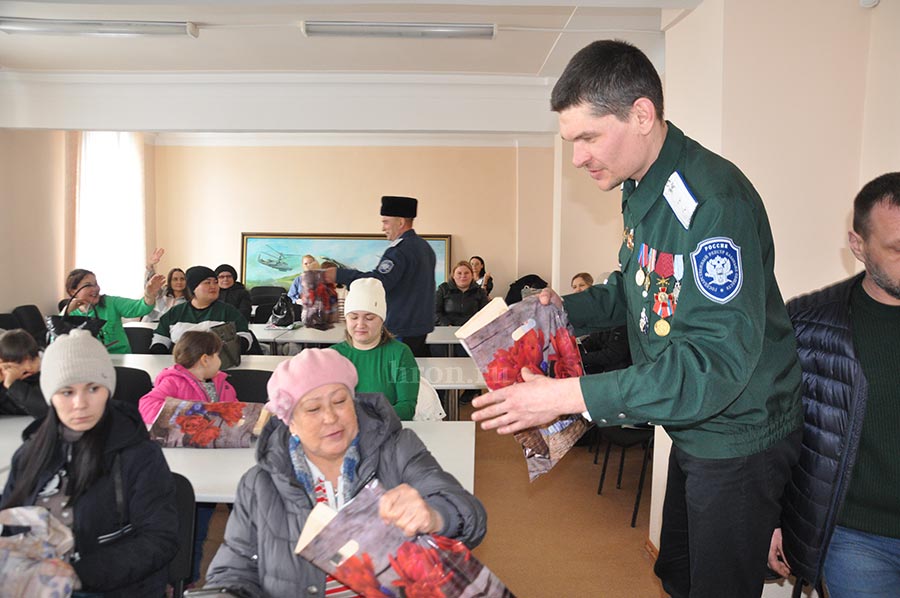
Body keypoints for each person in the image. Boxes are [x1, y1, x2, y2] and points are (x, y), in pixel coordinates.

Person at [470, 40, 802, 598]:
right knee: (677, 573)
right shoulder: (643, 188)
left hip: (737, 435)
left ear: (642, 115)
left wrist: (571, 394)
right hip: (695, 427)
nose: (577, 158)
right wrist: (558, 312)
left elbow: (713, 365)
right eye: (571, 141)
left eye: (588, 138)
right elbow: (634, 289)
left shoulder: (712, 202)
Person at [203, 348, 486, 598]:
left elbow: (469, 513)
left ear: (354, 401)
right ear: (291, 424)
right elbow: (234, 570)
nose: (330, 417)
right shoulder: (260, 484)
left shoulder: (396, 449)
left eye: (340, 401)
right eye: (313, 408)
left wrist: (435, 515)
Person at [767, 173, 900, 597]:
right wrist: (774, 519)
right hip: (856, 535)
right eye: (897, 248)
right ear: (858, 245)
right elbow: (777, 430)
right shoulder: (810, 323)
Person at [0, 329, 178, 596]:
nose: (80, 404)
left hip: (114, 588)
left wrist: (77, 575)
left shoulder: (138, 454)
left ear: (108, 389)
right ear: (50, 395)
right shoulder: (29, 453)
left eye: (93, 389)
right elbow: (10, 524)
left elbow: (159, 539)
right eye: (66, 391)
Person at [329, 196, 436, 357]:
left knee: (394, 375)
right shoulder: (424, 247)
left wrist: (338, 274)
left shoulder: (399, 251)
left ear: (400, 222)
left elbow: (376, 282)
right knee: (413, 373)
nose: (383, 228)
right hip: (419, 327)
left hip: (401, 327)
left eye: (385, 222)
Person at [333, 278, 419, 420]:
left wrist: (366, 419)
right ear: (346, 319)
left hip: (385, 433)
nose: (360, 324)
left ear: (382, 319)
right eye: (354, 317)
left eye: (369, 318)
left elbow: (407, 407)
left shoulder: (401, 353)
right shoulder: (333, 356)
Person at [139, 330, 238, 424]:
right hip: (186, 439)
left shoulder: (223, 384)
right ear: (205, 360)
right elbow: (146, 407)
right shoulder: (173, 382)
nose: (220, 360)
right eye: (218, 355)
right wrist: (186, 412)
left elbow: (237, 410)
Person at [150, 265, 254, 354]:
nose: (213, 286)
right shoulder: (175, 313)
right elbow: (160, 340)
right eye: (207, 283)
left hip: (218, 366)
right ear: (193, 288)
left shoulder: (228, 311)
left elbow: (245, 337)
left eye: (215, 282)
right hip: (181, 367)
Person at [63, 268, 166, 354]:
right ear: (73, 291)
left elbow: (141, 307)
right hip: (86, 364)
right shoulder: (69, 312)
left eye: (96, 284)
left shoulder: (111, 302)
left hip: (118, 359)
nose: (95, 288)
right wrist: (66, 313)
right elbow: (57, 341)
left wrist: (149, 295)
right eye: (88, 285)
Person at [0, 328, 47, 418]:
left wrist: (13, 385)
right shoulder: (5, 378)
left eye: (32, 359)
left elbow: (46, 410)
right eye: (19, 362)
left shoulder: (48, 375)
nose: (29, 367)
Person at [435, 260, 490, 327]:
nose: (463, 276)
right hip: (447, 330)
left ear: (472, 276)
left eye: (466, 273)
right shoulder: (443, 289)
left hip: (472, 330)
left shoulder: (480, 292)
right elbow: (434, 312)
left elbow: (485, 314)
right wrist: (447, 325)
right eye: (459, 273)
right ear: (453, 276)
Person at [142, 247, 187, 322]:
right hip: (149, 325)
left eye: (182, 279)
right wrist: (150, 265)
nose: (179, 282)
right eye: (175, 279)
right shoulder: (162, 292)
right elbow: (150, 285)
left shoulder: (188, 301)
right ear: (170, 281)